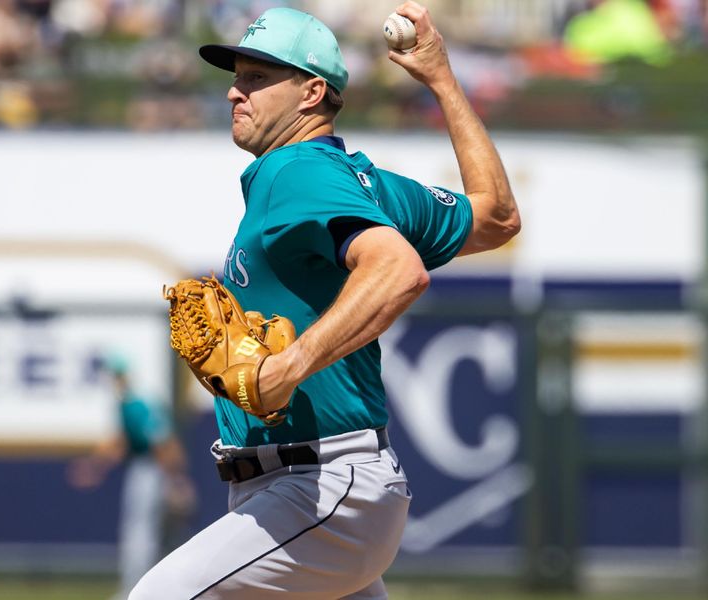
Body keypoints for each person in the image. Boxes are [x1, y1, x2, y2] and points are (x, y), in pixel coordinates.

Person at [131, 2, 519, 598]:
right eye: (237, 77)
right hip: (321, 492)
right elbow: (495, 216)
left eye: (258, 78)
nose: (237, 93)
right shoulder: (365, 183)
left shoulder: (295, 171)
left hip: (320, 486)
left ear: (312, 92)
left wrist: (287, 366)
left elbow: (398, 271)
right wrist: (442, 79)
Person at [67, 354, 196, 600]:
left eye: (115, 375)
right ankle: (166, 591)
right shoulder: (130, 403)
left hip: (152, 470)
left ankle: (136, 591)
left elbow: (163, 443)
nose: (113, 380)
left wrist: (176, 479)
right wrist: (95, 467)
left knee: (142, 533)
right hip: (153, 469)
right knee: (163, 534)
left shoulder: (138, 403)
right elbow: (121, 443)